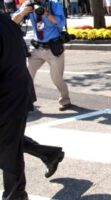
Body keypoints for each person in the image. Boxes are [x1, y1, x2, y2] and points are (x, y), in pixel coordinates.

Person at [0, 13, 65, 200]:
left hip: (8, 98)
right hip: (16, 93)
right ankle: (50, 154)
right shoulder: (7, 21)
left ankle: (16, 196)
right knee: (10, 142)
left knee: (9, 148)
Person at [12, 0, 72, 111]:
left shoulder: (53, 3)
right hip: (37, 47)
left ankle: (65, 99)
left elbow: (61, 23)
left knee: (56, 78)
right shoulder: (28, 4)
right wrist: (23, 12)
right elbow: (13, 21)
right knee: (26, 75)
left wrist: (45, 13)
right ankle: (26, 102)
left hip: (53, 48)